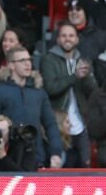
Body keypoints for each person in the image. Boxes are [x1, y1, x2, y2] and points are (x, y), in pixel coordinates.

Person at [0, 45, 64, 168]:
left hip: (36, 158)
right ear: (11, 65)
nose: (28, 64)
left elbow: (50, 124)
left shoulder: (39, 92)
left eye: (29, 60)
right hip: (5, 158)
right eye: (22, 61)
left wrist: (56, 153)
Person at [39, 23, 97, 167]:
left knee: (85, 167)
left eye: (71, 36)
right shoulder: (48, 59)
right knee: (62, 168)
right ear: (58, 39)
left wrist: (87, 76)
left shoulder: (83, 60)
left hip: (81, 125)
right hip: (59, 125)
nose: (67, 39)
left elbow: (93, 92)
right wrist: (74, 76)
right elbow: (51, 88)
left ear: (77, 39)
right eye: (64, 36)